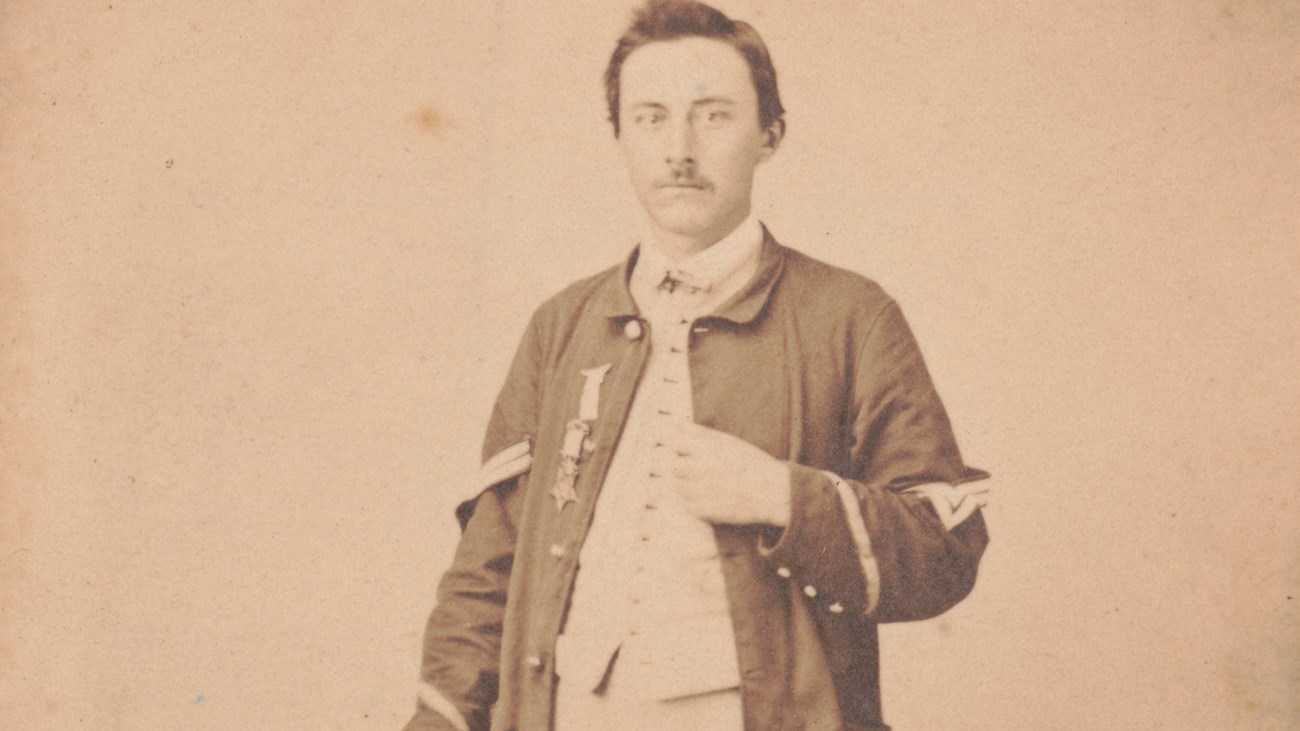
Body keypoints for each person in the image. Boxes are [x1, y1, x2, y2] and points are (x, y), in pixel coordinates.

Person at [403, 1, 990, 729]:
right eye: (650, 117)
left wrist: (783, 496)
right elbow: (486, 573)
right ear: (619, 135)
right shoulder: (561, 327)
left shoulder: (852, 316)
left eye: (712, 116)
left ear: (769, 135)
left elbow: (944, 550)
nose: (679, 148)